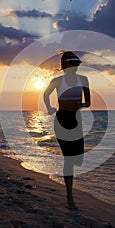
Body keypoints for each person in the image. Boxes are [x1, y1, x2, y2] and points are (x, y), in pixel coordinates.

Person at [44, 51, 91, 209]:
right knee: (69, 160)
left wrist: (82, 105)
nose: (74, 66)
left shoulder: (83, 80)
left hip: (76, 121)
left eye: (76, 63)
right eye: (71, 63)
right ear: (64, 65)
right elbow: (46, 94)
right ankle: (69, 198)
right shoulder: (57, 81)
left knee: (78, 159)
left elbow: (88, 102)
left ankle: (70, 196)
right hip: (62, 120)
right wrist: (49, 107)